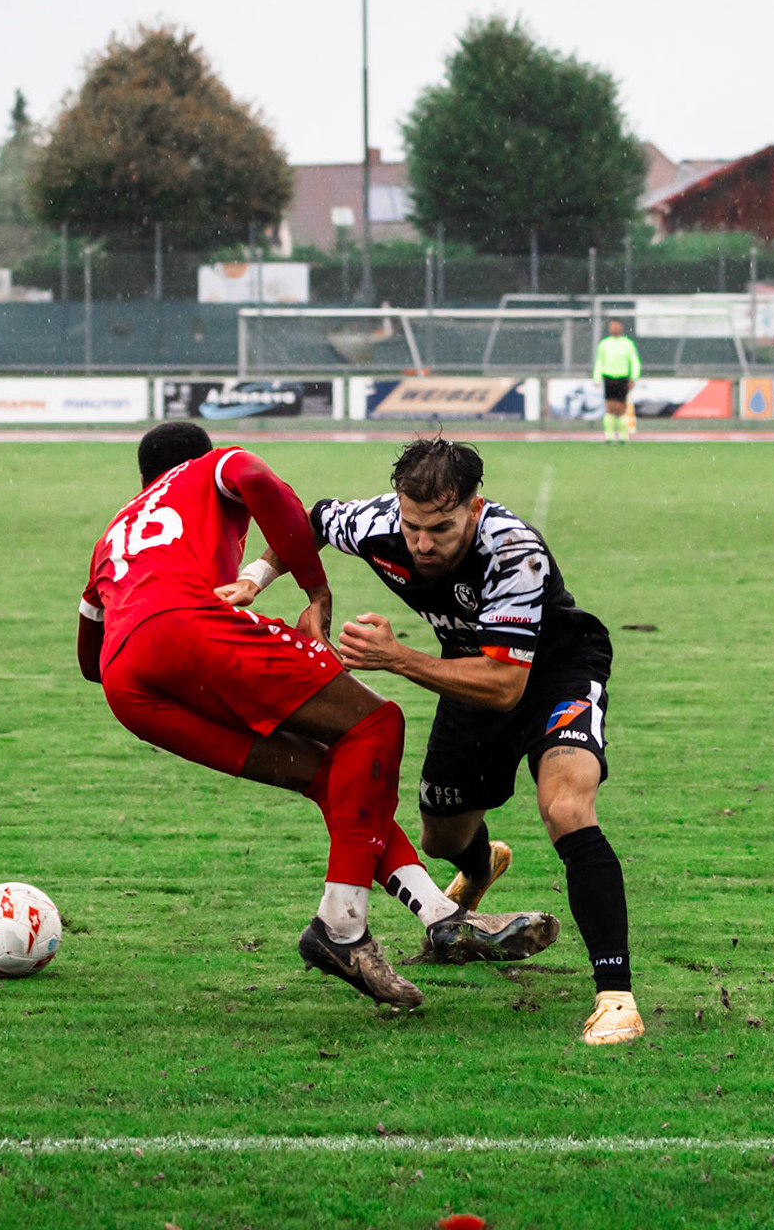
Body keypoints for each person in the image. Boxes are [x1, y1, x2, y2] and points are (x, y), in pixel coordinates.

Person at [76, 421, 558, 1012]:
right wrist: (315, 589)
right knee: (376, 724)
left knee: (333, 774)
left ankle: (441, 917)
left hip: (130, 686)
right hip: (188, 631)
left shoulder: (115, 533)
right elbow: (257, 478)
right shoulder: (210, 467)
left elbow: (89, 659)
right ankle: (342, 927)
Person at [220, 438, 643, 1046]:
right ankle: (480, 867)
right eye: (413, 526)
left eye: (441, 527)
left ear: (475, 508)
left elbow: (506, 686)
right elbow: (308, 519)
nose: (422, 543)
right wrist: (256, 578)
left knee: (566, 807)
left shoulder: (514, 551)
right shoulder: (381, 524)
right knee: (440, 834)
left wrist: (394, 657)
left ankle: (615, 995)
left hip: (554, 675)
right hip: (472, 671)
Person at [593, 317, 641, 443]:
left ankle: (623, 436)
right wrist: (597, 377)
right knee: (609, 407)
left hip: (622, 378)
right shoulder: (604, 344)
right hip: (608, 377)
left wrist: (634, 377)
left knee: (621, 408)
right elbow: (599, 362)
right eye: (612, 326)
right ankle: (609, 436)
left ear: (620, 327)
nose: (614, 328)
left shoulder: (627, 344)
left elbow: (634, 361)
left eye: (616, 326)